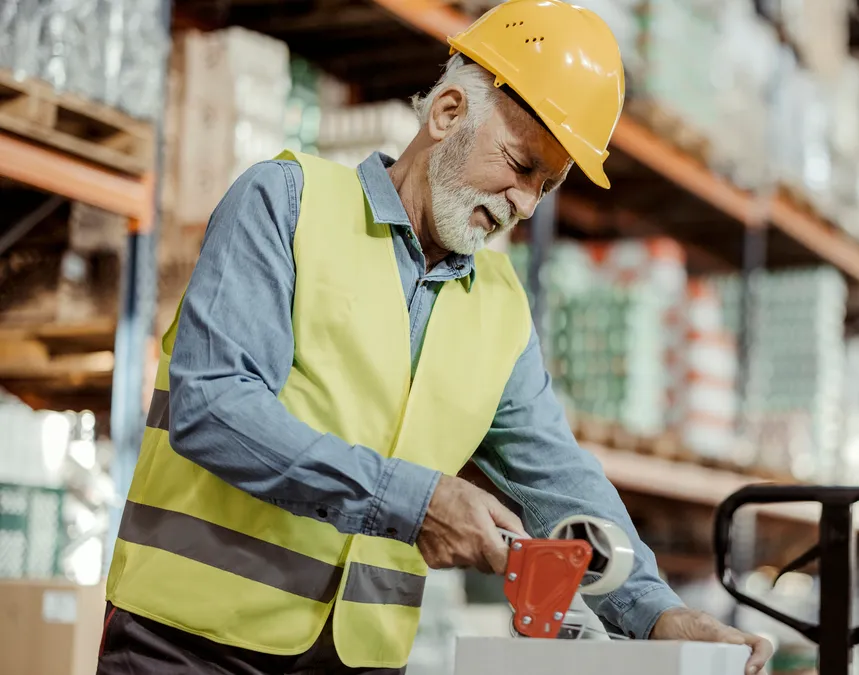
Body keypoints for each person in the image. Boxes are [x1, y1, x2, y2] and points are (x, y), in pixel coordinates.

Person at [95, 2, 772, 673]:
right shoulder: (286, 204)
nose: (525, 203)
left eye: (546, 184)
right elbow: (214, 407)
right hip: (186, 645)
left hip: (355, 663)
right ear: (447, 113)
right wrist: (414, 503)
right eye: (519, 163)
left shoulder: (501, 308)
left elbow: (560, 483)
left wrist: (656, 613)